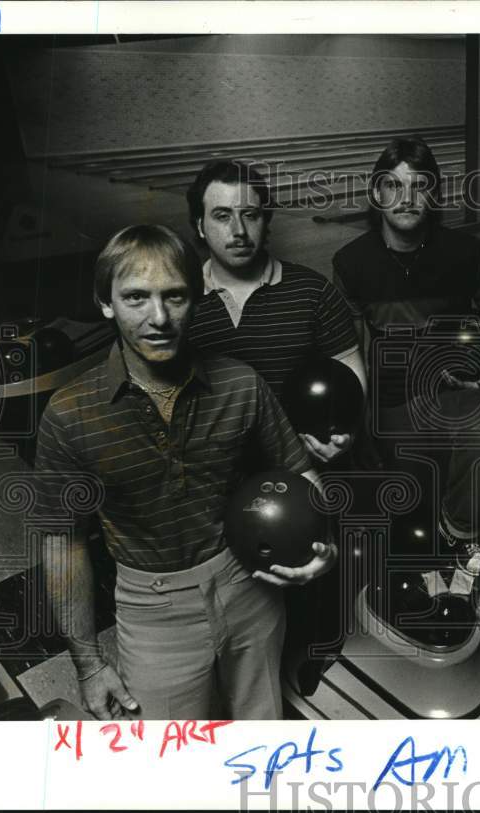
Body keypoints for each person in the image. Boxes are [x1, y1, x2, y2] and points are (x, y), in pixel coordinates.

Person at [35, 224, 337, 720]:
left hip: (248, 585)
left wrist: (319, 546)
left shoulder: (241, 384)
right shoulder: (71, 415)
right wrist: (89, 665)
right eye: (136, 297)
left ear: (195, 298)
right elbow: (63, 543)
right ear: (105, 303)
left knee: (261, 732)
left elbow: (301, 473)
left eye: (174, 296)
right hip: (152, 611)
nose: (158, 318)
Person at [332, 137, 480, 560]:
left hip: (458, 393)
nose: (407, 198)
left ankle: (459, 533)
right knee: (408, 495)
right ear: (376, 194)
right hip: (394, 393)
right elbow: (350, 351)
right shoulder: (351, 262)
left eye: (419, 185)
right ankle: (414, 547)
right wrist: (357, 417)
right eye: (394, 186)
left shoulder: (469, 254)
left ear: (433, 193)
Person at [186, 160, 366, 465]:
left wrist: (344, 434)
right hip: (215, 472)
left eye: (250, 215)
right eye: (222, 216)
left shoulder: (314, 292)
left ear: (265, 221)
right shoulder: (180, 302)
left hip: (304, 465)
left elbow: (352, 382)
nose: (238, 230)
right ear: (201, 226)